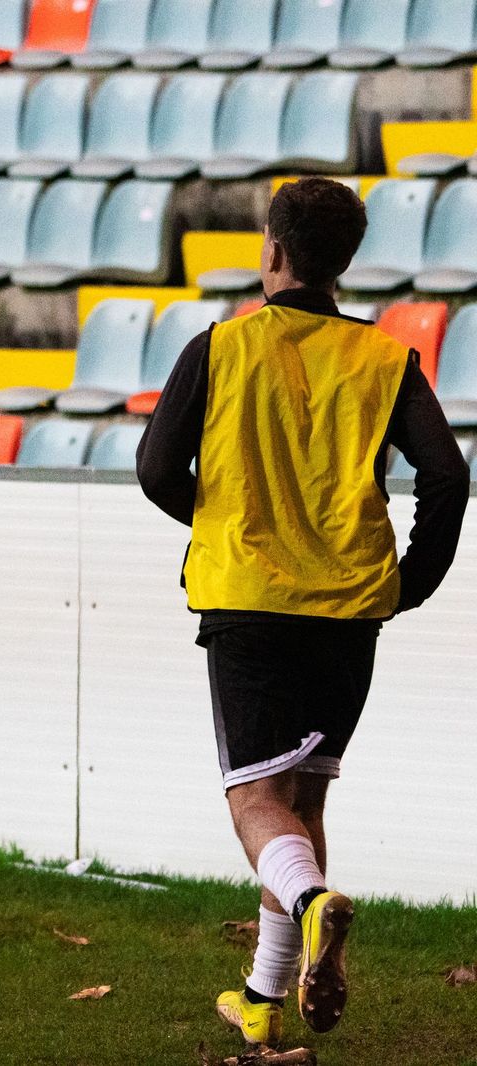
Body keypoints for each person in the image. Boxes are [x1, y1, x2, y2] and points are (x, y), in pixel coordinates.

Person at [136, 177, 469, 1049]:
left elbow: (157, 470)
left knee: (255, 799)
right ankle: (263, 998)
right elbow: (448, 476)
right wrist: (409, 582)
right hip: (350, 615)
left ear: (274, 252)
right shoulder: (385, 360)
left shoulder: (220, 347)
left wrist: (219, 520)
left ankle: (314, 901)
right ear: (342, 263)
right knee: (302, 796)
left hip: (250, 603)